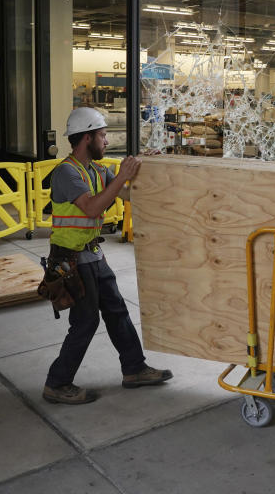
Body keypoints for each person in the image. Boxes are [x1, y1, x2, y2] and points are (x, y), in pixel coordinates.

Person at [42, 107, 172, 405]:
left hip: (92, 254)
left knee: (116, 310)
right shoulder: (66, 172)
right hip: (70, 258)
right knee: (85, 321)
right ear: (87, 138)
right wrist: (122, 175)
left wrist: (147, 167)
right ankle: (57, 382)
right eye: (102, 136)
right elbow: (91, 207)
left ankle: (134, 369)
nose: (106, 142)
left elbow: (125, 193)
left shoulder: (97, 171)